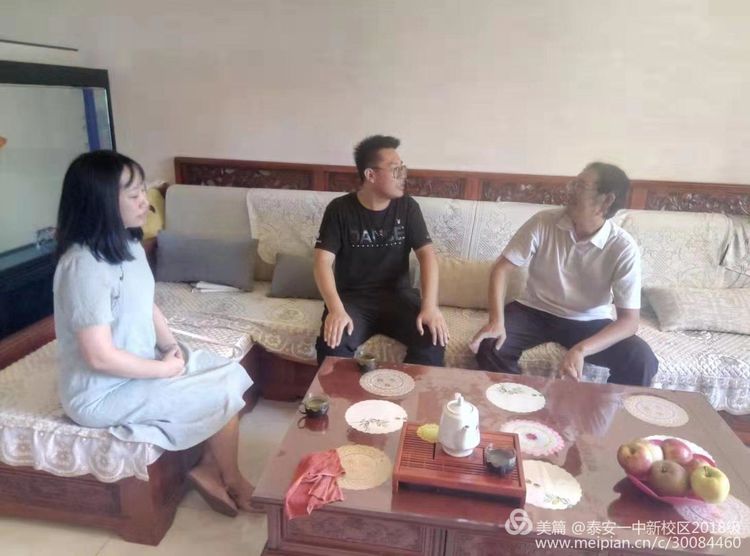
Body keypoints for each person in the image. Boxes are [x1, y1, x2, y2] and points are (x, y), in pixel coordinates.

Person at [53, 150, 255, 517]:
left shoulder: (128, 245)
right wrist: (164, 370)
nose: (145, 203)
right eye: (134, 195)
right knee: (216, 393)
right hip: (102, 392)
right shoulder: (83, 266)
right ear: (100, 202)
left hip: (142, 361)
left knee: (229, 372)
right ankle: (233, 479)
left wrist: (169, 346)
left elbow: (147, 303)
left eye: (143, 191)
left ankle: (209, 467)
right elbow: (99, 356)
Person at [470, 162, 658, 386]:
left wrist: (581, 349)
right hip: (534, 311)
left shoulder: (622, 247)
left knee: (641, 360)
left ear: (606, 200)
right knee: (490, 344)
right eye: (573, 183)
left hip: (588, 320)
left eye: (580, 186)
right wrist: (496, 321)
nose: (569, 189)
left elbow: (629, 322)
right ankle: (518, 401)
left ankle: (611, 407)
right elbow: (501, 269)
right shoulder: (543, 222)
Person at [314, 135, 448, 366]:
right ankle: (342, 392)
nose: (403, 175)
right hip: (353, 301)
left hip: (398, 297)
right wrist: (335, 309)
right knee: (332, 344)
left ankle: (410, 390)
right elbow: (322, 262)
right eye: (395, 169)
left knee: (432, 338)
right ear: (370, 175)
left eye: (403, 168)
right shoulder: (339, 209)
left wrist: (430, 307)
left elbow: (427, 256)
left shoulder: (407, 207)